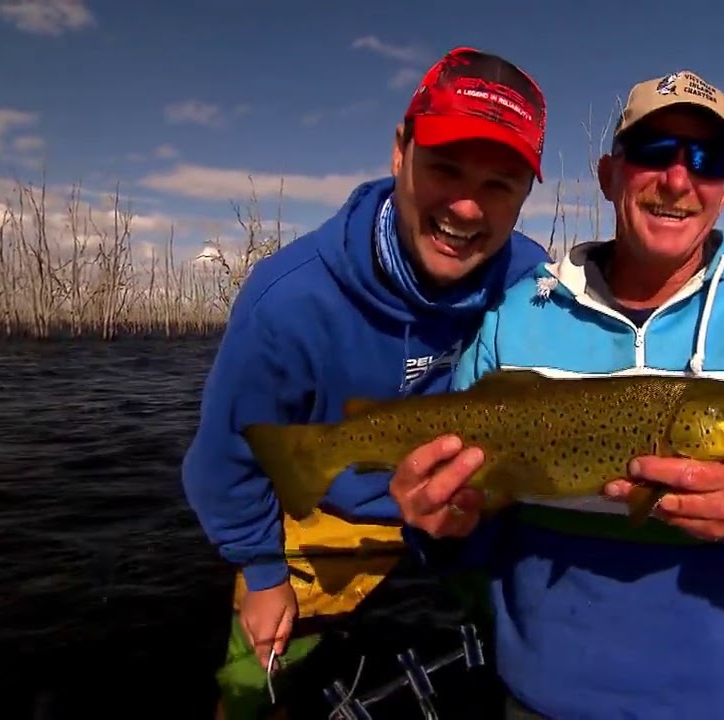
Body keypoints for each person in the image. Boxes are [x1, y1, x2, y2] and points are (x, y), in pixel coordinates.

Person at [389, 69, 724, 719]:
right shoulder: (513, 317)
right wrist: (441, 528)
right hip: (541, 700)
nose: (679, 180)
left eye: (707, 161)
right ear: (609, 174)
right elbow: (464, 545)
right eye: (655, 153)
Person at [179, 46, 552, 719]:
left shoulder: (532, 285)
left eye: (500, 185)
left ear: (525, 196)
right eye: (445, 168)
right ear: (399, 151)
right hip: (329, 513)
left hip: (464, 510)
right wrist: (264, 576)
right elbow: (226, 462)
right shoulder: (288, 301)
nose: (467, 208)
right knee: (252, 684)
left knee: (538, 634)